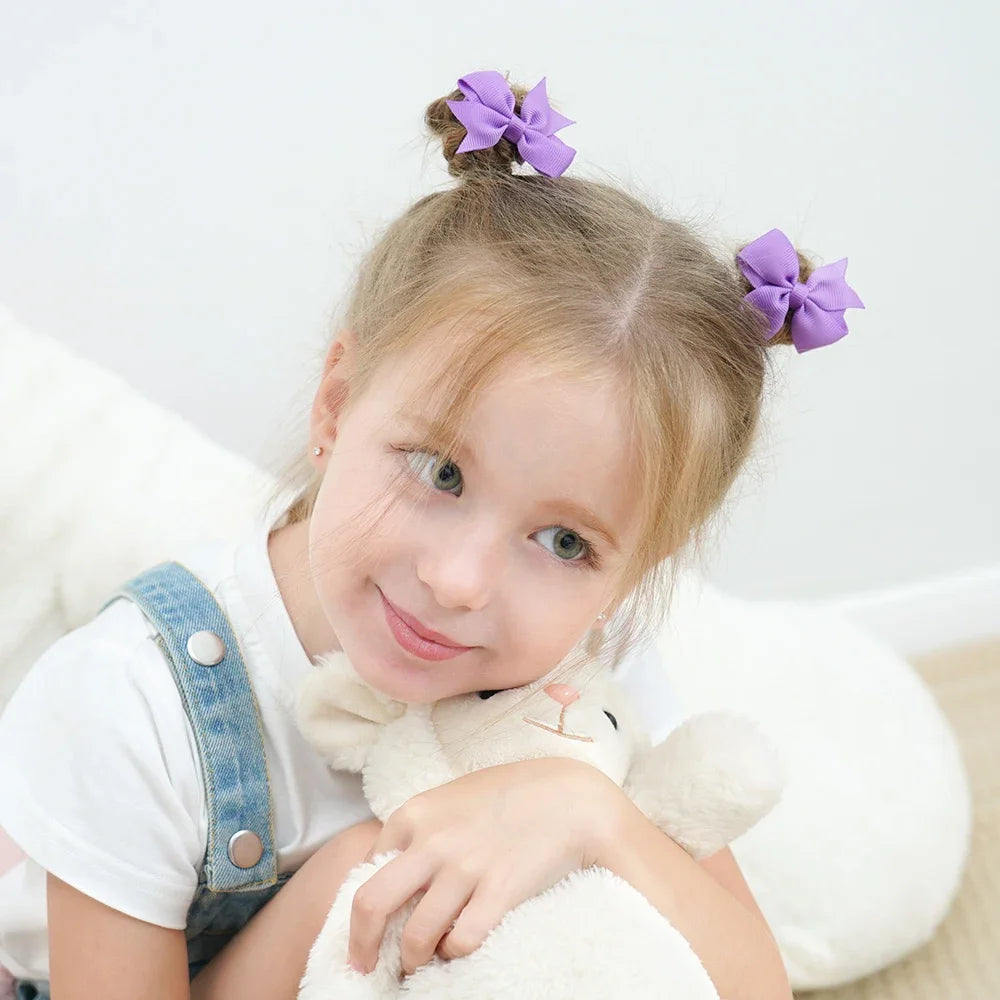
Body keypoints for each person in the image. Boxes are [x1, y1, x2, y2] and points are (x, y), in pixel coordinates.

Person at [0, 69, 862, 1000]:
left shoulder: (585, 679)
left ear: (632, 570)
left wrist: (590, 812)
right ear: (336, 403)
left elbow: (753, 986)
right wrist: (351, 879)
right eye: (439, 472)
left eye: (566, 543)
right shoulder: (133, 703)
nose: (459, 580)